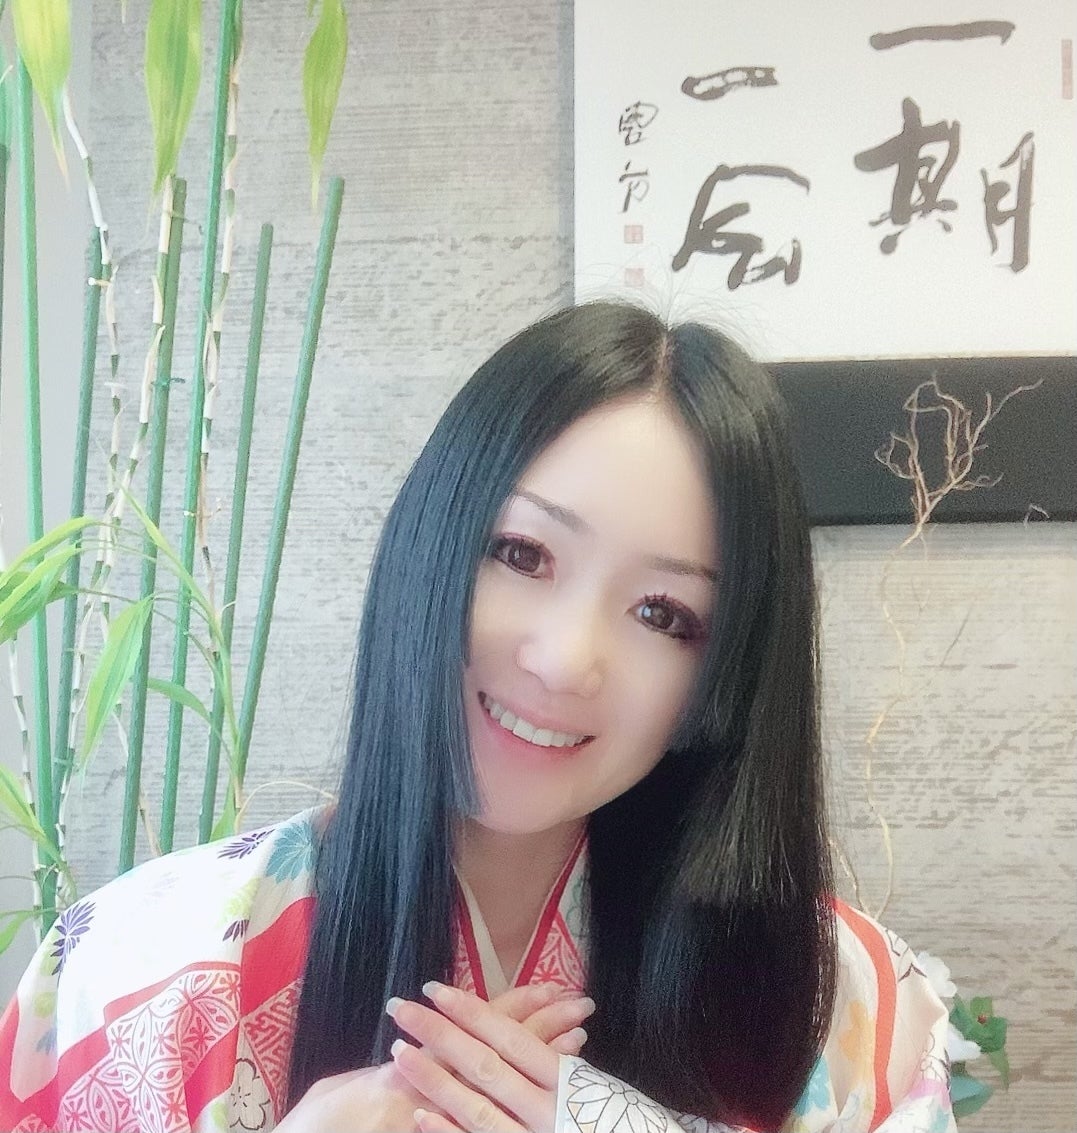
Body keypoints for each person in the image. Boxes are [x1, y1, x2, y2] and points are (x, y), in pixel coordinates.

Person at [0, 301, 955, 1133]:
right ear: (430, 539)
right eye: (522, 554)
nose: (565, 657)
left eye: (663, 614)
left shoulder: (840, 1001)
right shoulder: (137, 967)